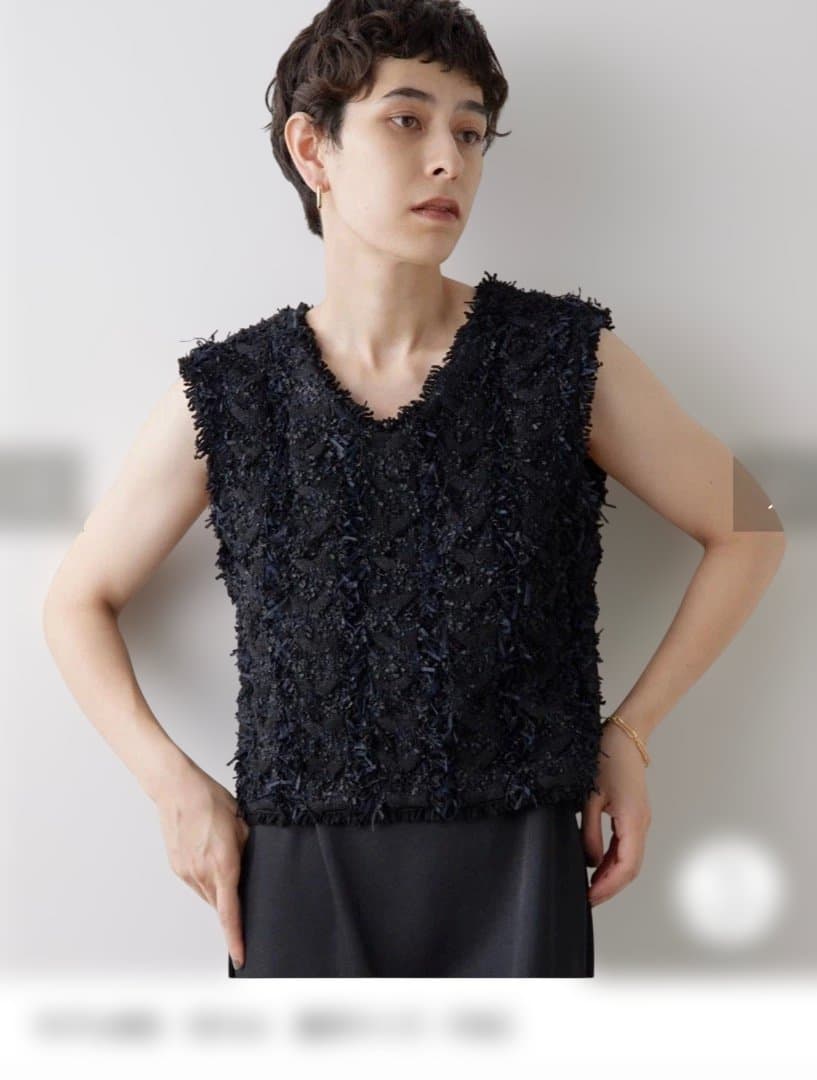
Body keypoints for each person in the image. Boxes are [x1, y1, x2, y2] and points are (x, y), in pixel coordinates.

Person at [42, 0, 786, 979]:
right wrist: (171, 786)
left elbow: (749, 528)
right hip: (297, 866)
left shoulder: (561, 359)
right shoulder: (232, 392)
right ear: (312, 148)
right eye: (406, 120)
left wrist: (632, 736)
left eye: (470, 133)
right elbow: (76, 601)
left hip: (519, 861)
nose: (448, 160)